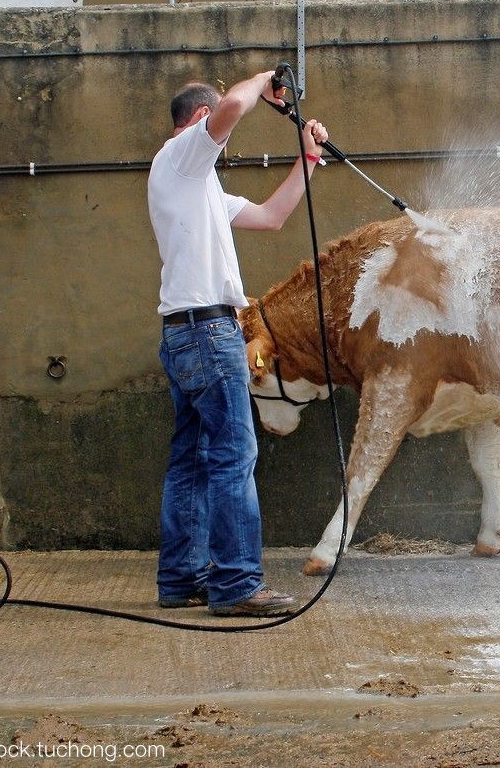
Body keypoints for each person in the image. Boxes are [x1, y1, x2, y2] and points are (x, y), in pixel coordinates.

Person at [148, 69, 327, 616]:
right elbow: (231, 106)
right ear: (200, 121)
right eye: (217, 129)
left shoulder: (199, 186)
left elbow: (272, 217)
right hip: (207, 333)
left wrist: (308, 158)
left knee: (195, 461)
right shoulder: (181, 158)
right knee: (234, 456)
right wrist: (265, 80)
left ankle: (182, 579)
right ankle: (237, 583)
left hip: (186, 334)